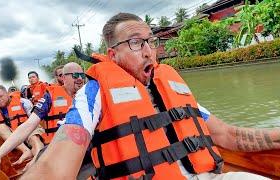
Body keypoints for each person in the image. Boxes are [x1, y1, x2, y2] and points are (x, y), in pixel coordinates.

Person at [20, 13, 280, 179]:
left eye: (150, 41)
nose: (148, 51)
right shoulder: (94, 92)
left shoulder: (171, 86)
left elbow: (227, 135)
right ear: (113, 55)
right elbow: (53, 169)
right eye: (135, 43)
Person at [0, 62, 85, 176]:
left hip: (82, 149)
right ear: (64, 78)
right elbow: (29, 124)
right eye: (75, 75)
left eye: (82, 75)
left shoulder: (90, 95)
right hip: (57, 149)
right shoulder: (50, 96)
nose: (79, 78)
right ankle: (35, 159)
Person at [0, 85, 44, 165]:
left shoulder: (24, 102)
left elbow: (34, 121)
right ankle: (26, 151)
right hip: (14, 135)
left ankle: (39, 160)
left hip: (29, 129)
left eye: (1, 96)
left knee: (34, 139)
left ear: (7, 93)